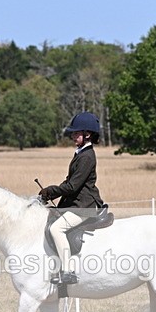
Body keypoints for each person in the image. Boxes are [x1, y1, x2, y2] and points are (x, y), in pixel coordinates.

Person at [38, 111, 105, 285]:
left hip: (85, 205)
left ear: (87, 134)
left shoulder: (87, 156)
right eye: (73, 133)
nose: (73, 136)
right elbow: (69, 182)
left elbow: (73, 186)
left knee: (57, 229)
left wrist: (51, 191)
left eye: (76, 133)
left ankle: (68, 271)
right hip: (76, 202)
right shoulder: (80, 153)